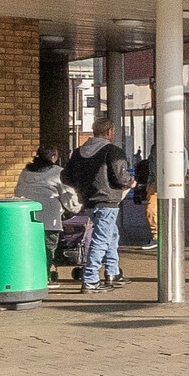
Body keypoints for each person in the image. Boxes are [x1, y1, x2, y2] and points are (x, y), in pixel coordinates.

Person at [63, 119, 133, 293]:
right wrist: (131, 182)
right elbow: (120, 177)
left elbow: (66, 177)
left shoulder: (78, 152)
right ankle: (90, 279)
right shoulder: (112, 151)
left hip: (88, 202)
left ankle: (112, 271)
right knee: (101, 239)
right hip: (108, 201)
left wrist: (82, 189)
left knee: (112, 234)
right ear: (109, 131)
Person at [14, 148, 67, 280]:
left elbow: (17, 191)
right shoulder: (58, 172)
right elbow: (67, 195)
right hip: (50, 216)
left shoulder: (25, 172)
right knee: (48, 248)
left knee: (29, 246)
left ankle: (29, 275)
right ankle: (45, 275)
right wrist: (74, 208)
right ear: (53, 158)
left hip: (27, 217)